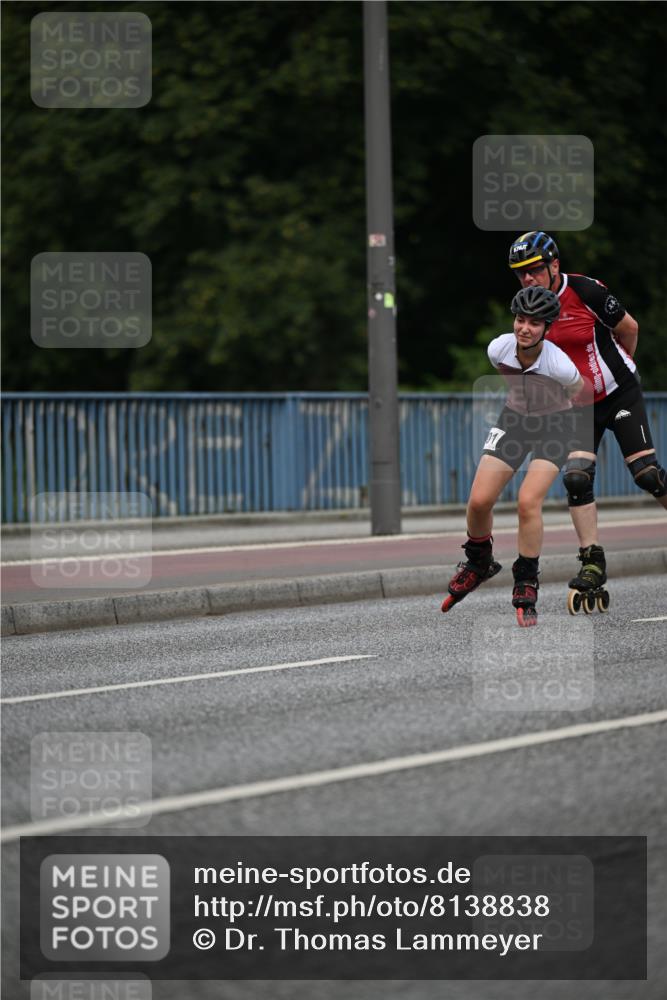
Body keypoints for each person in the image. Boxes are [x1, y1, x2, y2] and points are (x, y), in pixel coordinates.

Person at [507, 231, 667, 611]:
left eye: (534, 270)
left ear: (554, 265)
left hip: (619, 393)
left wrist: (620, 372)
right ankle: (592, 562)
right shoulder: (530, 308)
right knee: (577, 477)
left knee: (646, 473)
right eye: (520, 273)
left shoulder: (587, 292)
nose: (528, 279)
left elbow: (630, 328)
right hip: (577, 404)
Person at [442, 285, 584, 627]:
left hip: (555, 425)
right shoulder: (499, 349)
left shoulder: (560, 365)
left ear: (547, 329)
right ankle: (479, 562)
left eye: (535, 323)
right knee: (478, 501)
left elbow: (578, 395)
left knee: (527, 501)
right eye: (520, 319)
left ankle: (526, 581)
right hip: (515, 419)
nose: (524, 328)